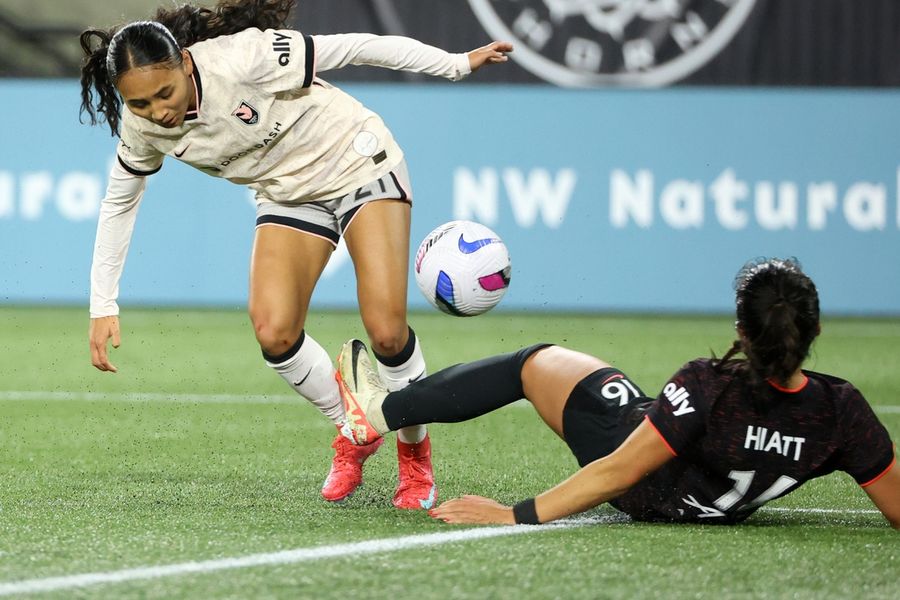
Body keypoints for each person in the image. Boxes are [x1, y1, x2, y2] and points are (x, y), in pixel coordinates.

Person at [78, 0, 513, 510]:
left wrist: (457, 64)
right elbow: (119, 203)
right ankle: (356, 426)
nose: (158, 112)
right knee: (273, 330)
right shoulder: (144, 129)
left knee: (388, 332)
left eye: (164, 93)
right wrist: (102, 303)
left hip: (356, 160)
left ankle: (414, 456)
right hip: (288, 194)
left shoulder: (244, 58)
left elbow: (357, 46)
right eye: (140, 104)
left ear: (187, 64)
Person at [336, 258, 900, 527]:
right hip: (709, 506)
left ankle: (377, 412)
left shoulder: (708, 384)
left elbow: (617, 472)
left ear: (741, 333)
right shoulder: (842, 409)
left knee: (535, 364)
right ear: (815, 332)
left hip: (645, 487)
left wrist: (513, 513)